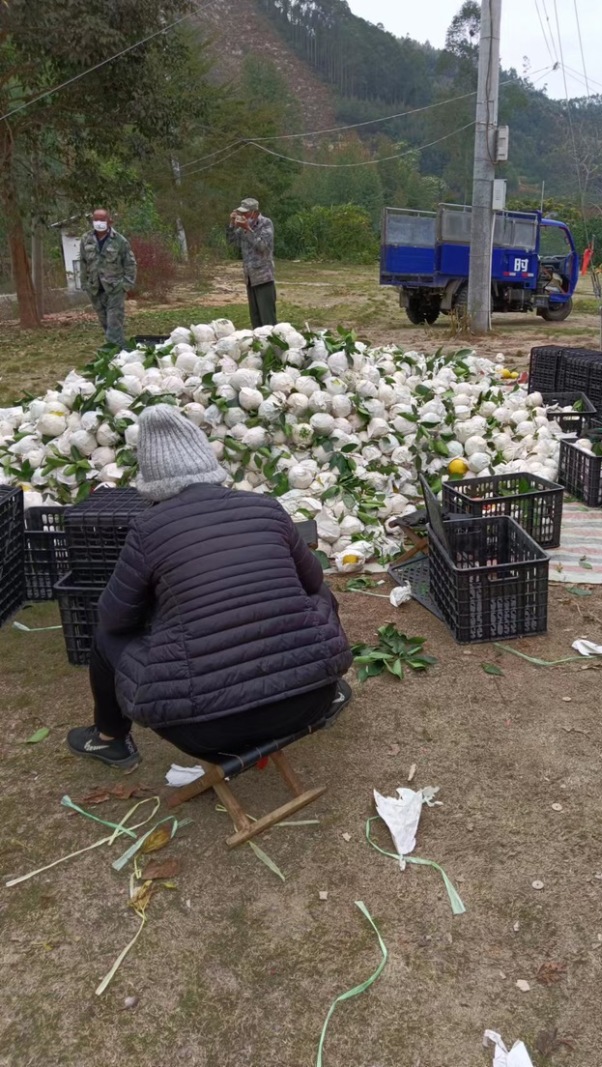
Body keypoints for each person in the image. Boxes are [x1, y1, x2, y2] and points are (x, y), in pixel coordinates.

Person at [66, 405, 352, 771]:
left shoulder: (148, 528)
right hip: (310, 700)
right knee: (320, 595)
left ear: (151, 478)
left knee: (106, 640)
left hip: (206, 731)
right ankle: (326, 685)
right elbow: (313, 582)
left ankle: (109, 740)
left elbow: (115, 619)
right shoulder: (265, 508)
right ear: (207, 460)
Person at [78, 209, 137, 348]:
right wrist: (84, 283)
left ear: (109, 221)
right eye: (96, 219)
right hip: (95, 288)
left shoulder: (119, 240)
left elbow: (130, 263)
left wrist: (126, 284)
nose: (99, 223)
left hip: (115, 288)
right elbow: (83, 262)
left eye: (102, 220)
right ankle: (122, 350)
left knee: (114, 322)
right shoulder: (86, 239)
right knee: (105, 323)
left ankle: (111, 354)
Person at [227, 197, 277, 329]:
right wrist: (232, 223)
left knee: (267, 319)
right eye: (240, 213)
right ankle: (259, 345)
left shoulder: (265, 223)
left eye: (245, 213)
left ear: (254, 212)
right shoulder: (242, 227)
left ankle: (272, 346)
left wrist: (248, 230)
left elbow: (263, 246)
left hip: (263, 276)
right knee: (255, 318)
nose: (242, 216)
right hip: (250, 277)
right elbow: (231, 242)